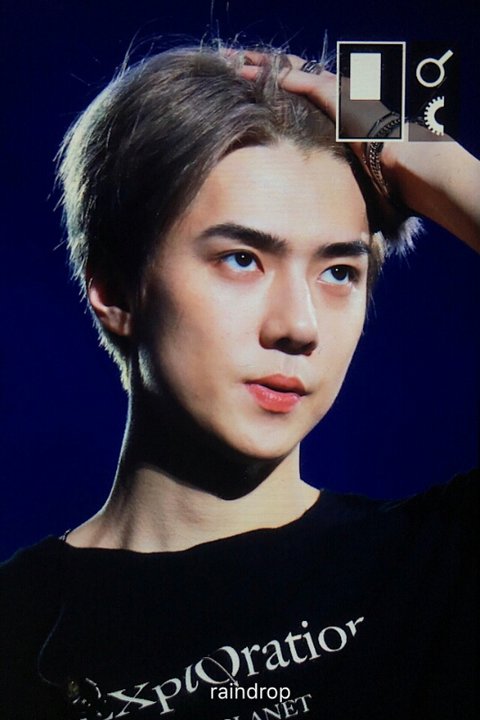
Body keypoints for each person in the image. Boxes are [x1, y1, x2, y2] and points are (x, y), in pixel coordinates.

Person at [0, 45, 478, 720]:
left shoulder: (439, 567)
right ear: (115, 289)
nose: (299, 326)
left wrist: (417, 151)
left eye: (339, 272)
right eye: (242, 259)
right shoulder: (15, 632)